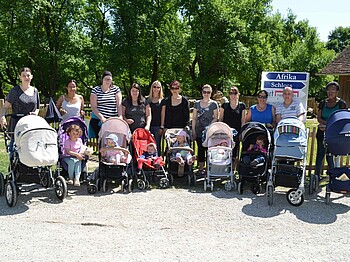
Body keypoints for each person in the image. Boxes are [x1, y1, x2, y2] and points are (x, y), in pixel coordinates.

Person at [0, 67, 40, 157]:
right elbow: (4, 107)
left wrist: (36, 113)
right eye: (24, 76)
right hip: (17, 124)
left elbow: (37, 107)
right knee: (14, 151)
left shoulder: (35, 91)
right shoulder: (15, 91)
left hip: (31, 125)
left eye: (28, 75)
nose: (26, 77)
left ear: (31, 77)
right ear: (20, 77)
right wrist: (2, 117)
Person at [315, 81, 347, 180]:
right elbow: (319, 117)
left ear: (337, 91)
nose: (330, 92)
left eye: (333, 90)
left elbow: (342, 118)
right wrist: (324, 125)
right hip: (322, 130)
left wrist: (329, 126)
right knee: (320, 153)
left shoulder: (341, 104)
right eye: (328, 90)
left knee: (331, 154)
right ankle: (316, 176)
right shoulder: (323, 103)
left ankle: (333, 176)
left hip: (334, 132)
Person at [192, 84, 219, 174]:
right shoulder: (197, 104)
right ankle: (200, 168)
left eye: (208, 92)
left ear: (211, 93)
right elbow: (194, 118)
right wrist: (193, 130)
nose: (206, 94)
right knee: (200, 149)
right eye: (204, 92)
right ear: (202, 93)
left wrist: (209, 128)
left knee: (209, 150)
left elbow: (216, 117)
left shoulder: (214, 104)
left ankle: (209, 168)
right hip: (199, 129)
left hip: (210, 131)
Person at [89, 71, 122, 139]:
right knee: (101, 142)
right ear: (102, 79)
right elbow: (94, 107)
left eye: (109, 79)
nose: (107, 81)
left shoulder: (116, 89)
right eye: (106, 79)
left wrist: (120, 116)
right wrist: (102, 118)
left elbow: (119, 104)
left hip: (113, 121)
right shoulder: (95, 90)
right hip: (99, 121)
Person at [219, 86, 246, 160]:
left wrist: (242, 133)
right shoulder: (224, 105)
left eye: (235, 93)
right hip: (225, 132)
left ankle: (234, 168)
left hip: (237, 132)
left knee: (235, 151)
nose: (233, 95)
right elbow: (220, 119)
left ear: (238, 94)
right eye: (231, 93)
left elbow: (243, 121)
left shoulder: (242, 106)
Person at [147, 80, 164, 153]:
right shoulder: (147, 100)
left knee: (157, 145)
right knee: (148, 145)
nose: (156, 89)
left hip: (158, 126)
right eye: (154, 87)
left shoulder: (162, 100)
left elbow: (163, 114)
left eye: (158, 87)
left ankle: (158, 160)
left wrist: (162, 126)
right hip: (148, 126)